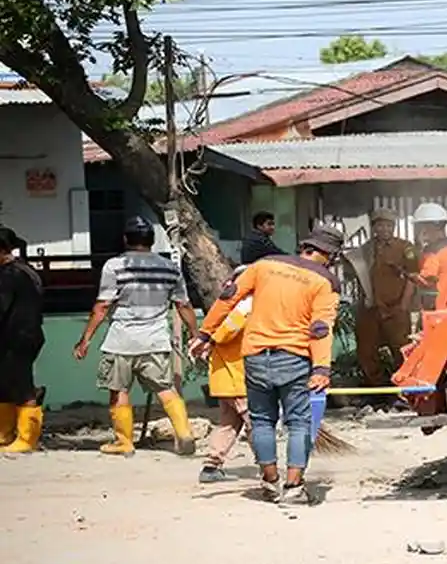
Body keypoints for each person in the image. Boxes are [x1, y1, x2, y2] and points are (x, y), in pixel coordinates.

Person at [190, 224, 343, 506]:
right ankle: (294, 487)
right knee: (298, 423)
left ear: (305, 247)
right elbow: (320, 328)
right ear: (330, 255)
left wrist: (205, 333)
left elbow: (228, 297)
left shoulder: (265, 265)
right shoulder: (325, 281)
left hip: (255, 357)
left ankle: (270, 482)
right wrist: (321, 368)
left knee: (262, 422)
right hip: (294, 358)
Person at [75, 216, 197, 457]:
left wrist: (86, 339)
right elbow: (184, 304)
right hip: (155, 339)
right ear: (152, 240)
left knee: (118, 390)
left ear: (125, 239)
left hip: (121, 339)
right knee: (165, 388)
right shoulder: (169, 268)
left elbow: (102, 306)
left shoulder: (115, 266)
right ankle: (184, 434)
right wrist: (194, 334)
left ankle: (124, 442)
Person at [345, 208, 419, 389]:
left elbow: (413, 277)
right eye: (380, 225)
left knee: (402, 349)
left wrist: (403, 305)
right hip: (371, 309)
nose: (384, 229)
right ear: (374, 228)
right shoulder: (366, 249)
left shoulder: (405, 248)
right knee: (366, 351)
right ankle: (377, 389)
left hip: (396, 308)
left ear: (393, 227)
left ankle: (404, 388)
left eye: (388, 225)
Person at [197, 265, 254, 483]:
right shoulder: (244, 306)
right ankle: (269, 465)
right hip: (237, 378)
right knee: (255, 423)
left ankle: (211, 466)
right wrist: (210, 340)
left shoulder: (226, 307)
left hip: (225, 377)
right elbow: (229, 329)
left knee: (229, 424)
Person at [0, 227, 45, 454]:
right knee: (6, 384)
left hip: (17, 337)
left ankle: (27, 437)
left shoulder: (9, 275)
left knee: (22, 386)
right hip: (28, 334)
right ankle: (5, 433)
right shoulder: (27, 270)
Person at [409, 202, 447, 318]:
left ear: (426, 228)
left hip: (438, 308)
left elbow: (428, 280)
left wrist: (412, 276)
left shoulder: (431, 252)